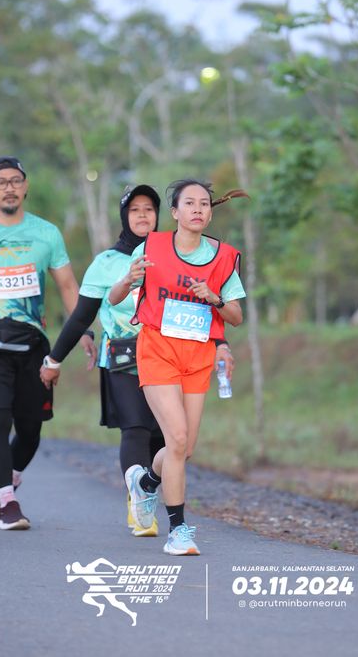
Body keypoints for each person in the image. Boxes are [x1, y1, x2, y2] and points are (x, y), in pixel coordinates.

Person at [40, 184, 235, 537]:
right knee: (136, 428)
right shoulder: (106, 263)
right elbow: (82, 315)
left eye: (149, 209)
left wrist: (220, 344)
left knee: (172, 440)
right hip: (126, 355)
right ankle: (148, 512)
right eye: (135, 210)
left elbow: (198, 309)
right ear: (124, 216)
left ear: (160, 214)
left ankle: (147, 486)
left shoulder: (179, 252)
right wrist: (54, 359)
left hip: (182, 354)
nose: (143, 215)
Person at [109, 178, 246, 555]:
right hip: (157, 350)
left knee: (183, 449)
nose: (198, 209)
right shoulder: (152, 247)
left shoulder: (223, 258)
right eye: (190, 203)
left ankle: (146, 484)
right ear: (175, 212)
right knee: (178, 438)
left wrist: (215, 298)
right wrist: (129, 278)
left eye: (204, 204)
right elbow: (115, 297)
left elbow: (236, 316)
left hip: (197, 358)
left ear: (211, 213)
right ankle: (178, 530)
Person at [0, 156, 95, 531]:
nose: (9, 187)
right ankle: (8, 503)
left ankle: (6, 488)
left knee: (31, 428)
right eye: (0, 182)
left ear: (25, 186)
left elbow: (68, 286)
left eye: (15, 180)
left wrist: (83, 331)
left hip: (33, 341)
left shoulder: (46, 233)